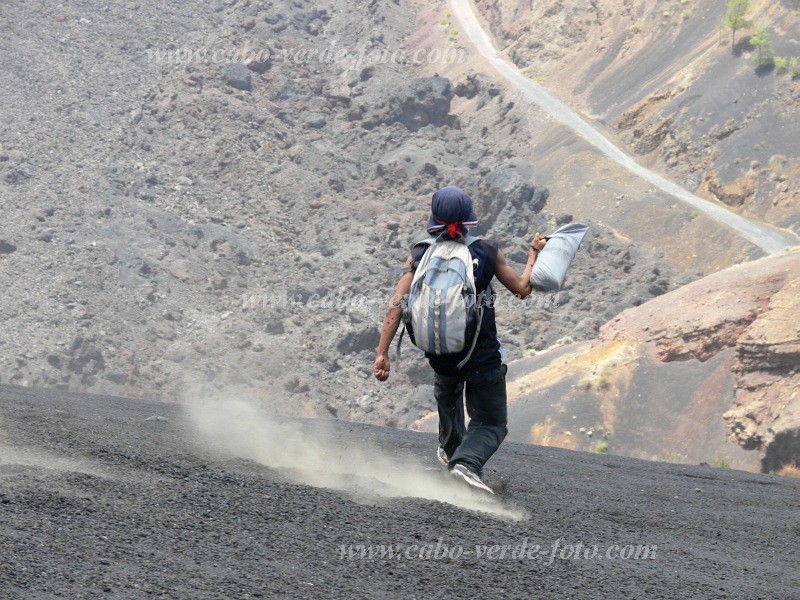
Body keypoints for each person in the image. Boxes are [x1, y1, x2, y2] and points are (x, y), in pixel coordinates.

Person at [373, 185, 547, 493]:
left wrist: (382, 353)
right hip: (482, 357)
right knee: (491, 422)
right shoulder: (487, 251)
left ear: (434, 219)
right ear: (469, 219)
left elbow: (396, 304)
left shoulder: (420, 254)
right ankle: (466, 466)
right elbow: (522, 289)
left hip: (441, 355)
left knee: (448, 391)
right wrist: (534, 253)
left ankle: (452, 454)